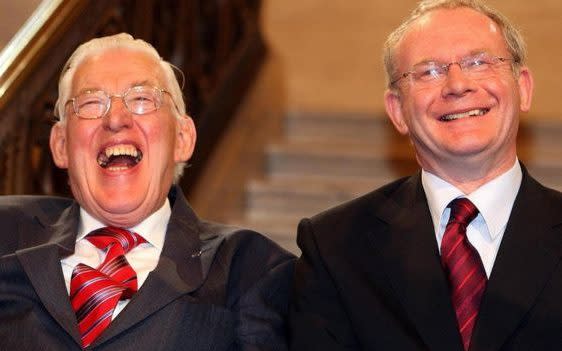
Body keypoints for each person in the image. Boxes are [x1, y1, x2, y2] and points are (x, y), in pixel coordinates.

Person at [290, 1, 562, 350]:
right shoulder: (333, 247)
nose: (457, 84)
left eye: (479, 62)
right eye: (428, 72)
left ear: (522, 88)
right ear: (397, 110)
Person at [0, 33, 294, 350]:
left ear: (183, 138)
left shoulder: (249, 267)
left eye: (142, 99)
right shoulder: (7, 232)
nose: (115, 119)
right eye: (90, 103)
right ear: (60, 145)